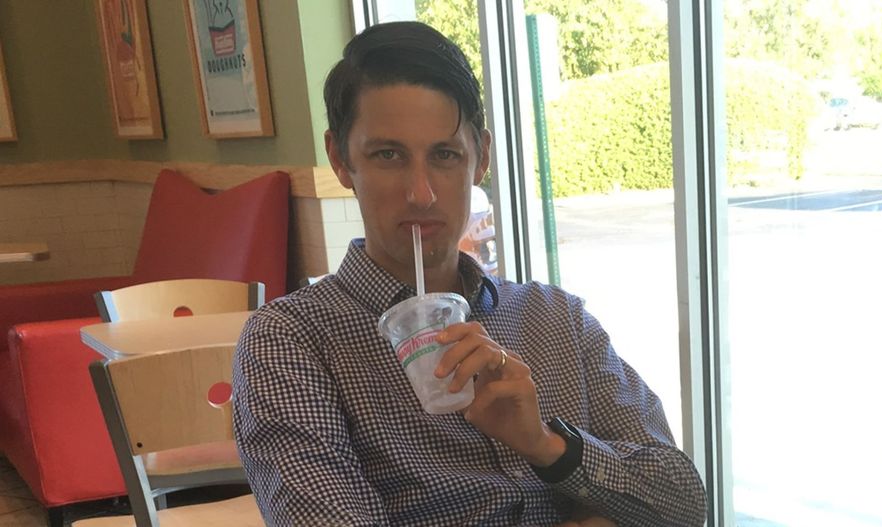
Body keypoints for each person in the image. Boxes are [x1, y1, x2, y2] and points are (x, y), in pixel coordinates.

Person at [232, 21, 706, 526]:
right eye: (388, 155)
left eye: (445, 155)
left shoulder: (556, 318)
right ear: (341, 160)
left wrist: (546, 445)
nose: (421, 194)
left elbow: (683, 500)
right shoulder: (291, 341)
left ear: (480, 158)